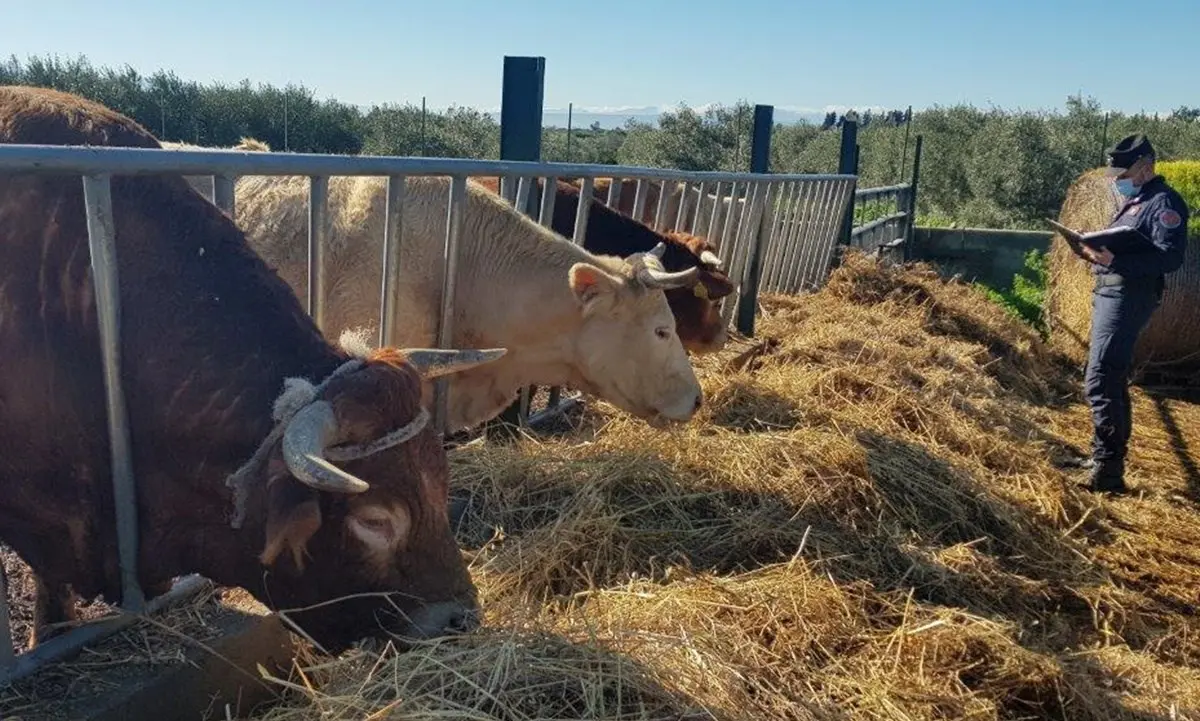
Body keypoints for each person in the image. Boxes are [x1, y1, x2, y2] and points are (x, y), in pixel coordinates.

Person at [1073, 133, 1189, 493]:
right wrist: (1091, 247)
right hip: (1111, 292)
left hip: (1129, 295)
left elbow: (1170, 257)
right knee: (1108, 374)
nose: (1118, 179)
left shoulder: (1165, 203)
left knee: (1102, 377)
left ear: (1145, 166)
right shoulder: (1138, 200)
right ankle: (1103, 457)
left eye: (1124, 171)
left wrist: (1115, 259)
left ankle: (1108, 472)